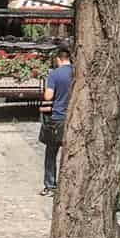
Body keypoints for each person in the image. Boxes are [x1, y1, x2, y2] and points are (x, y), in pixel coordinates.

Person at [37, 48, 73, 195]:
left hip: (57, 117)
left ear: (58, 59)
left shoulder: (54, 74)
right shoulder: (77, 72)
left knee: (51, 153)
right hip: (72, 117)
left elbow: (48, 96)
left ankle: (50, 185)